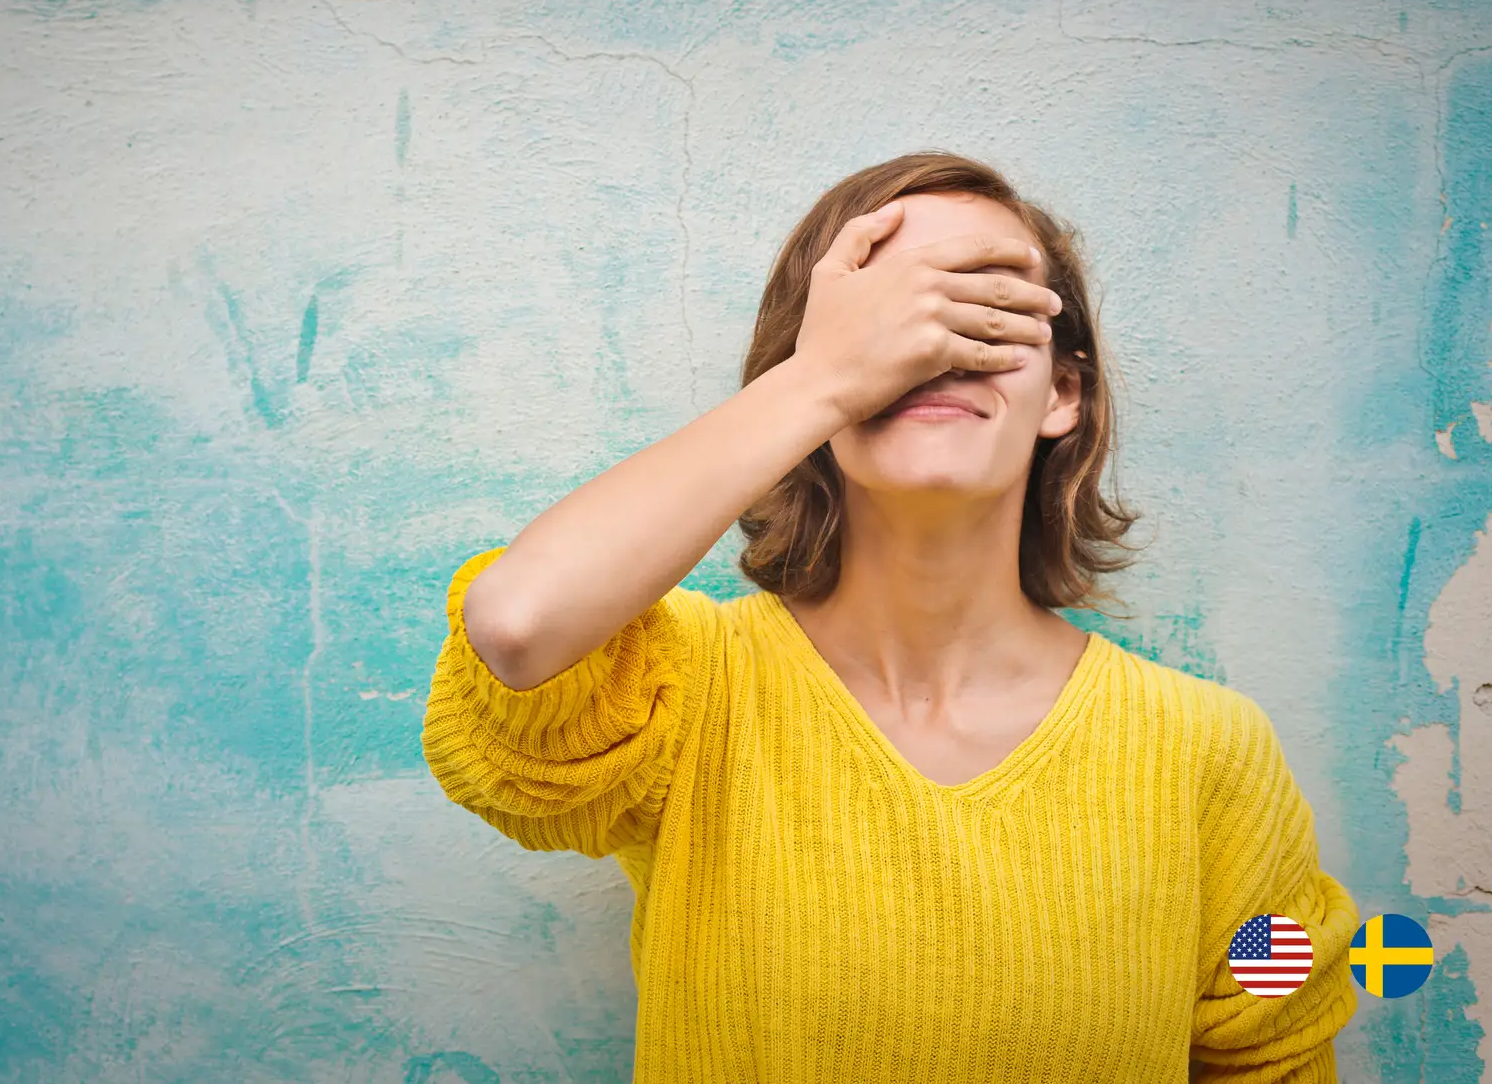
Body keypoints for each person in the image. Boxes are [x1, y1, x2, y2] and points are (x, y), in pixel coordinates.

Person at [421, 152, 1360, 1082]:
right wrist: (825, 379)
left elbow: (1270, 1059)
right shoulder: (687, 692)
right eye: (886, 309)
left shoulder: (1208, 754)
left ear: (1062, 392)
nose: (933, 343)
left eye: (987, 303)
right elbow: (518, 624)